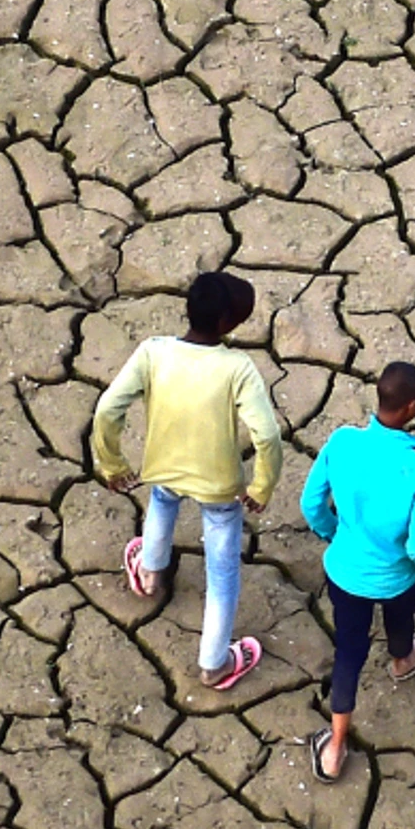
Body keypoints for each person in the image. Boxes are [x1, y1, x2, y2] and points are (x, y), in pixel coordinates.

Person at [92, 270, 284, 691]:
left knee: (162, 502)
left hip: (164, 468)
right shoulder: (238, 367)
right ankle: (214, 664)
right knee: (222, 575)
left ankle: (152, 574)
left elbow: (108, 409)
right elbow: (267, 434)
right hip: (219, 489)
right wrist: (261, 486)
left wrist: (112, 463)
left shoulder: (153, 352)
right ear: (224, 324)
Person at [299, 360, 415, 781]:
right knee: (400, 622)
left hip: (345, 575)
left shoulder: (342, 442)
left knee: (349, 651)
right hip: (397, 579)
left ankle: (334, 748)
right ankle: (403, 660)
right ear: (414, 407)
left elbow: (311, 504)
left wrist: (335, 536)